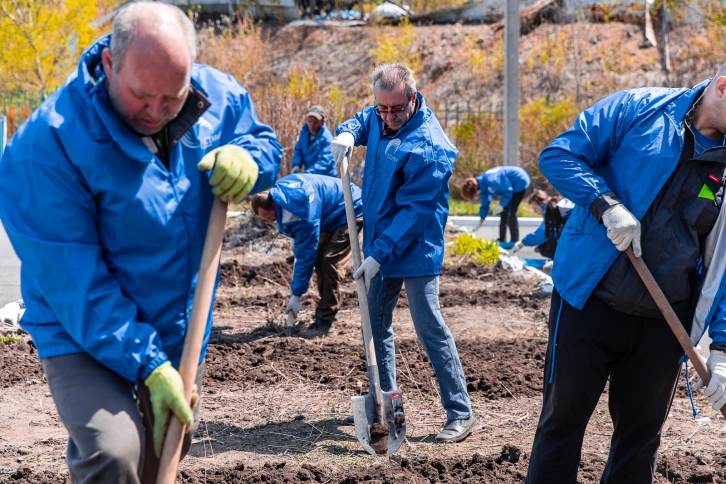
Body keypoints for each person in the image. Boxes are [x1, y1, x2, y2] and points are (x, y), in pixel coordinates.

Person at [0, 3, 282, 483]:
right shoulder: (45, 147)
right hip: (80, 328)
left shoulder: (214, 96)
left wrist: (250, 157)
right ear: (110, 63)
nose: (155, 112)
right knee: (114, 452)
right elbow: (76, 283)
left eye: (171, 98)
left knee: (167, 450)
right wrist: (148, 365)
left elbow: (259, 139)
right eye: (140, 96)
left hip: (175, 322)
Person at [525, 66, 726, 483]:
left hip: (665, 323)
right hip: (589, 301)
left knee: (640, 440)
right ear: (723, 87)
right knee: (562, 424)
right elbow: (559, 155)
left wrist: (724, 348)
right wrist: (605, 203)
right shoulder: (638, 108)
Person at [330, 63, 476, 442]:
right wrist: (348, 132)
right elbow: (364, 119)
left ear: (413, 98)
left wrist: (378, 254)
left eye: (397, 109)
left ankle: (459, 412)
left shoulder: (429, 147)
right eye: (383, 108)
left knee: (428, 325)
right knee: (374, 324)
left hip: (414, 246)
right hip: (381, 241)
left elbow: (414, 212)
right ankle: (384, 402)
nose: (389, 117)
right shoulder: (380, 116)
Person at [251, 174, 363, 337]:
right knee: (319, 258)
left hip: (350, 207)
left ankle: (325, 322)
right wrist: (295, 236)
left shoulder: (300, 212)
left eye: (270, 218)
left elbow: (305, 256)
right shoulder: (281, 194)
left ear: (276, 205)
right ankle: (329, 306)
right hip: (327, 213)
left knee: (330, 262)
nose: (271, 222)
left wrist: (297, 294)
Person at [461, 166, 531, 242]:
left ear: (475, 190)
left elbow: (508, 190)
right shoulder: (482, 186)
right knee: (503, 212)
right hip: (509, 186)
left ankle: (514, 240)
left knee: (511, 211)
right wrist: (481, 220)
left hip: (519, 179)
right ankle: (502, 239)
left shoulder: (491, 181)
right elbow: (485, 204)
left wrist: (501, 205)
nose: (477, 195)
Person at [511, 189, 574, 258]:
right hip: (575, 238)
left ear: (540, 203)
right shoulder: (557, 202)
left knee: (543, 248)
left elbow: (542, 234)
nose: (535, 212)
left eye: (535, 208)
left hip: (570, 244)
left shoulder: (549, 209)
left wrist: (523, 242)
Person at [290, 105, 337, 177]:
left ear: (322, 121)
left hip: (325, 179)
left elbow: (324, 163)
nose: (312, 125)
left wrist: (306, 174)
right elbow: (299, 149)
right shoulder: (304, 132)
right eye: (310, 121)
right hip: (310, 175)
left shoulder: (327, 139)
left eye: (315, 122)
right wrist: (296, 165)